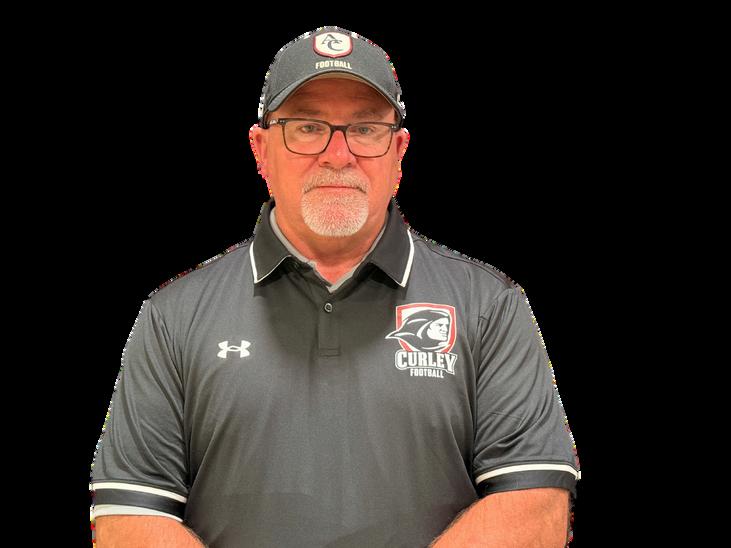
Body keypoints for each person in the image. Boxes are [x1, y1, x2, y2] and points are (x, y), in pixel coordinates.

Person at [89, 25, 581, 547]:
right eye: (307, 127)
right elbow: (128, 518)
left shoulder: (491, 306)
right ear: (260, 149)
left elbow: (536, 507)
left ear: (399, 150)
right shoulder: (172, 317)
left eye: (365, 128)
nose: (338, 154)